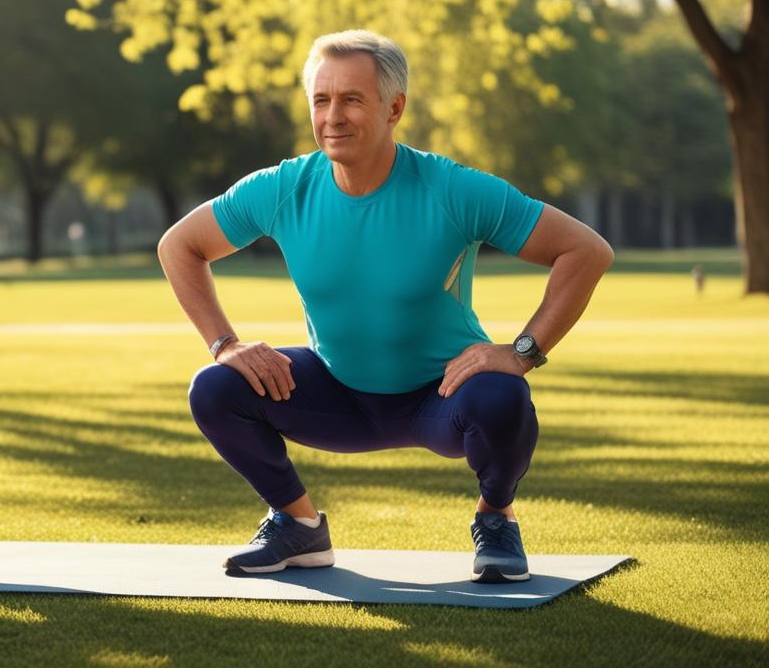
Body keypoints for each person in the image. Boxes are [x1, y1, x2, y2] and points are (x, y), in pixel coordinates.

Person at [157, 30, 613, 583]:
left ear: (395, 107)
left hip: (441, 397)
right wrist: (225, 344)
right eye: (321, 100)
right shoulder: (284, 187)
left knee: (503, 395)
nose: (333, 117)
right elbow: (180, 245)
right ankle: (298, 525)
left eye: (352, 99)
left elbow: (585, 251)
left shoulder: (451, 189)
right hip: (335, 393)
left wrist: (522, 351)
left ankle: (495, 517)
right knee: (215, 386)